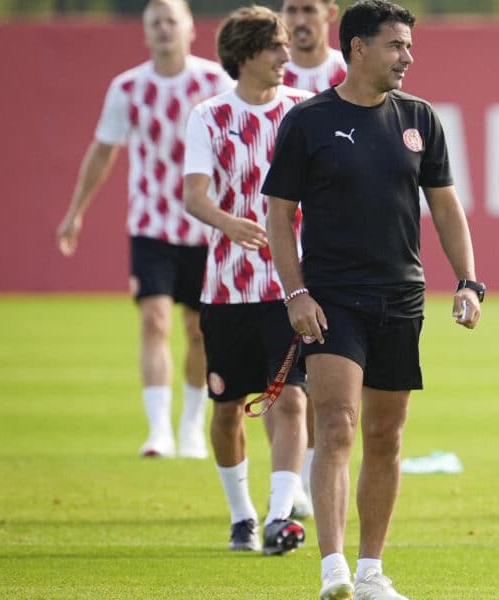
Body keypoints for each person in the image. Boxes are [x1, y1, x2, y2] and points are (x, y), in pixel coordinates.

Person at [263, 1, 482, 596]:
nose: (407, 57)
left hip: (401, 298)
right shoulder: (307, 120)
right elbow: (280, 213)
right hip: (332, 298)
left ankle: (369, 573)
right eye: (396, 45)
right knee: (336, 424)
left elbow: (444, 205)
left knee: (387, 437)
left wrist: (467, 279)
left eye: (409, 46)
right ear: (358, 47)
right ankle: (332, 569)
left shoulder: (420, 118)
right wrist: (296, 291)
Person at [56, 0, 232, 459]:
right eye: (155, 23)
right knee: (154, 319)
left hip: (205, 224)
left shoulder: (215, 82)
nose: (164, 30)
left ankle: (192, 424)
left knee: (198, 330)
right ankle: (158, 432)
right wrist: (76, 210)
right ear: (145, 32)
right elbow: (103, 151)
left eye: (172, 21)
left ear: (191, 28)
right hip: (151, 224)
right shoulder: (129, 87)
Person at [183, 5, 312, 556]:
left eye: (286, 45)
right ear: (244, 55)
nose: (287, 55)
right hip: (227, 289)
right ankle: (242, 516)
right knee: (228, 406)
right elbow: (194, 194)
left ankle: (282, 514)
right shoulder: (209, 115)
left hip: (290, 287)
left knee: (292, 401)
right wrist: (227, 221)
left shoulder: (303, 111)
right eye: (274, 47)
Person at [273, 0, 349, 520]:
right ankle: (291, 483)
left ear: (329, 12)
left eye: (308, 8)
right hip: (275, 248)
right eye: (290, 8)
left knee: (327, 384)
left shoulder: (353, 70)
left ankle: (305, 480)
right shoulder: (264, 69)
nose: (298, 19)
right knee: (278, 376)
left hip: (332, 252)